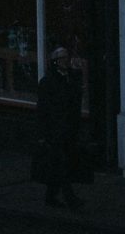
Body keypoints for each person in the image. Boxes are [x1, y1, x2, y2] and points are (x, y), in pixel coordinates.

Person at [34, 44, 89, 208]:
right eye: (62, 58)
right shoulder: (48, 82)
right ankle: (70, 198)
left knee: (58, 165)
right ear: (55, 61)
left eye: (67, 57)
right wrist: (43, 134)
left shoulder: (71, 78)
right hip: (55, 131)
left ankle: (50, 197)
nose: (66, 61)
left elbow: (75, 100)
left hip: (69, 129)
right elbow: (42, 109)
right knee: (62, 164)